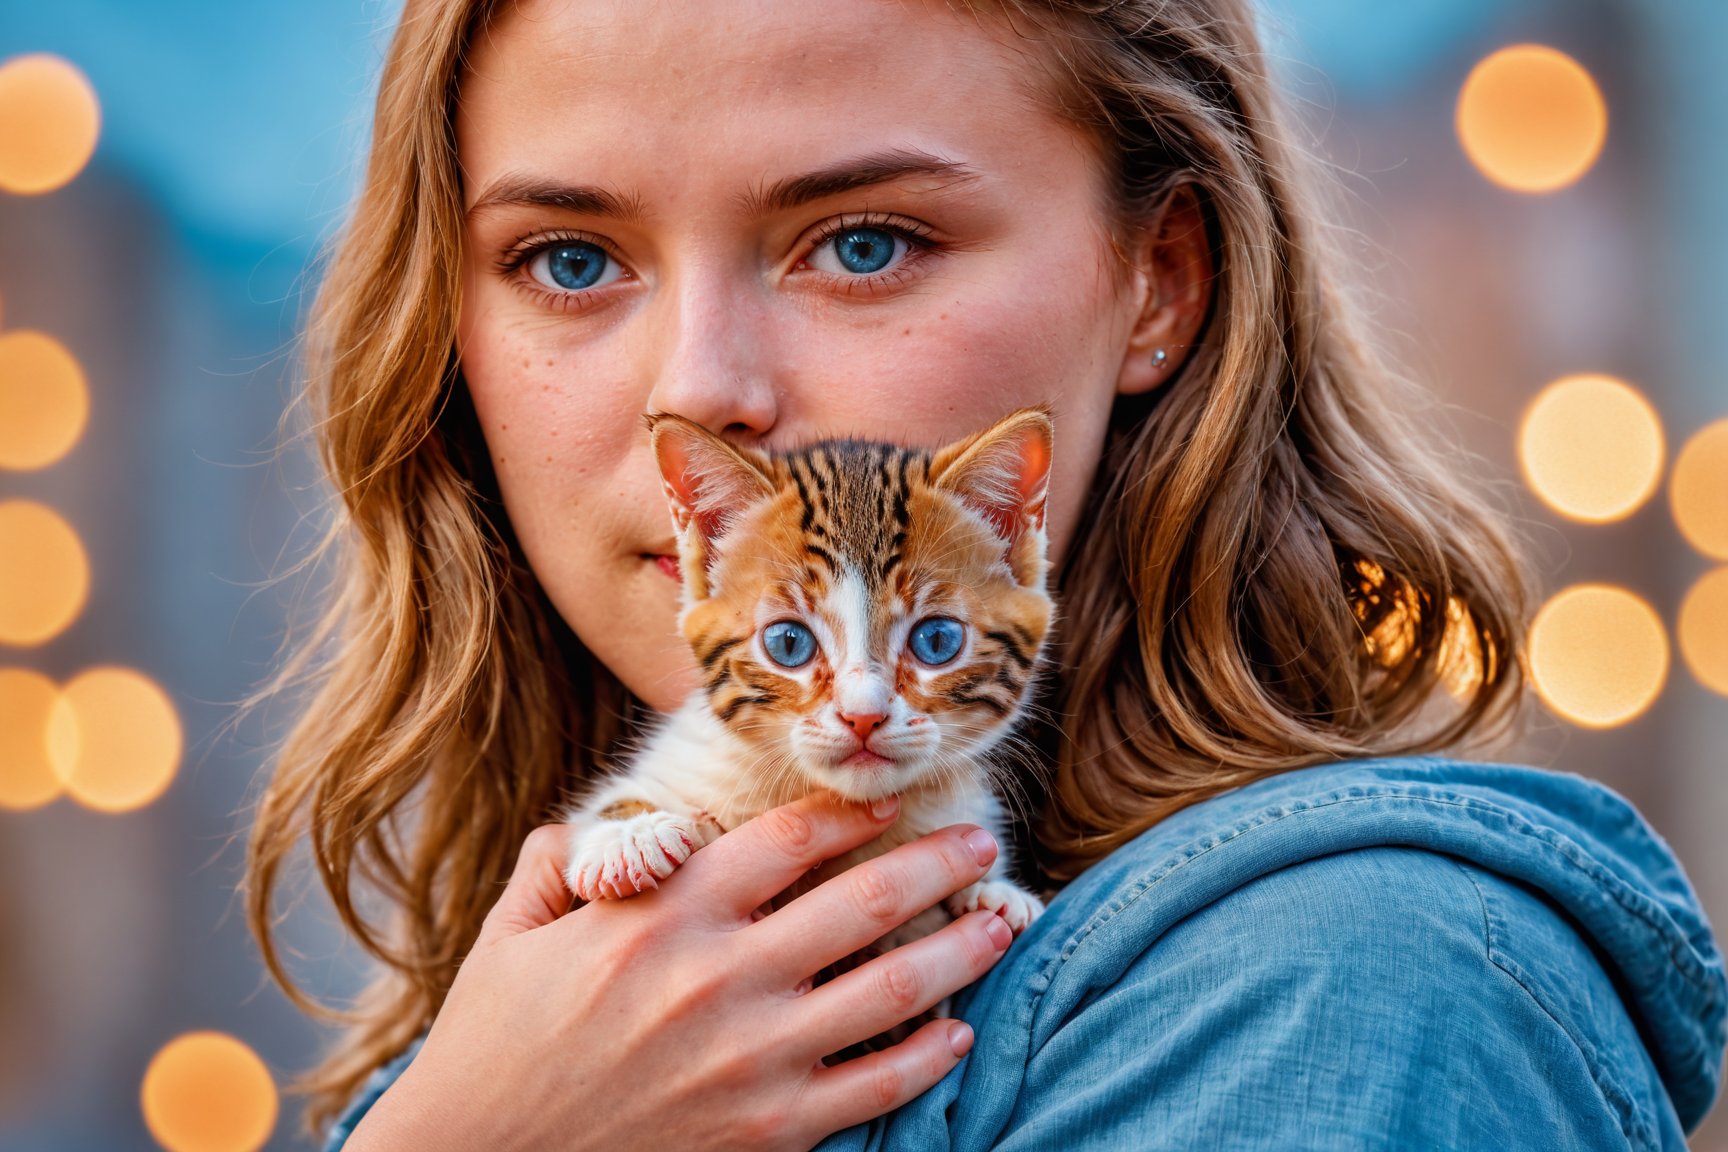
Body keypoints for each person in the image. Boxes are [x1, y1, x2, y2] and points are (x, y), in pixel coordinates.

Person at [242, 0, 1728, 1148]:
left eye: (865, 242)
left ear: (1161, 281)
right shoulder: (502, 1027)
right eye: (570, 260)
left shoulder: (1342, 993)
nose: (695, 392)